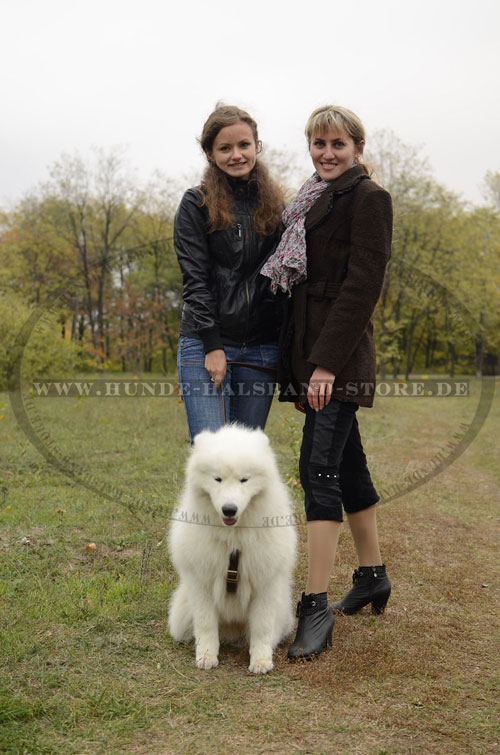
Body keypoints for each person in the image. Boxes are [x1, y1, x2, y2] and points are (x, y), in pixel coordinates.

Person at [261, 105, 393, 660]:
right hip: (308, 354)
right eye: (318, 143)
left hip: (335, 361)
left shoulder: (369, 199)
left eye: (338, 143)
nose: (327, 153)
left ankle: (313, 604)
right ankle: (372, 576)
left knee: (318, 467)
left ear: (358, 147)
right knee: (350, 464)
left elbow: (363, 287)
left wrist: (326, 364)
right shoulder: (310, 198)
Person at [174, 104, 284, 442]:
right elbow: (196, 282)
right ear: (210, 153)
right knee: (213, 459)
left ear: (256, 146)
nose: (237, 155)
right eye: (225, 148)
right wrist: (213, 346)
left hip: (261, 348)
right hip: (206, 345)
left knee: (246, 462)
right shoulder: (196, 204)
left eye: (244, 145)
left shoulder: (277, 207)